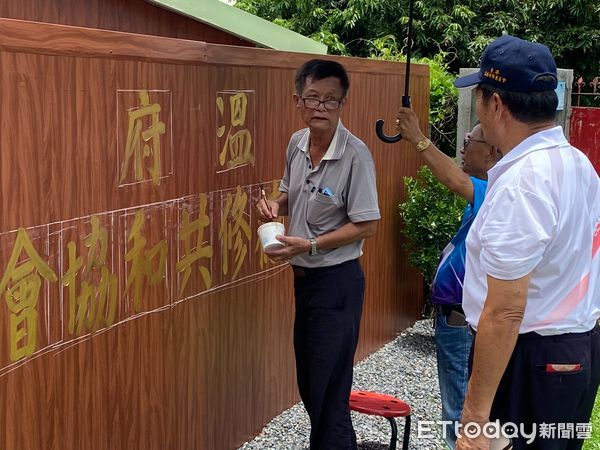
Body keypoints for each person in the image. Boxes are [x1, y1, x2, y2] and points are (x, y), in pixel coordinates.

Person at [452, 35, 600, 450]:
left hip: (530, 358)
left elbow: (506, 311)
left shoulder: (524, 181)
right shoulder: (577, 163)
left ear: (495, 104)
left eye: (479, 97)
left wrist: (475, 416)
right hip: (575, 351)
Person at [256, 59, 380, 449]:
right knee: (311, 384)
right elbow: (292, 191)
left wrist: (309, 245)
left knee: (328, 392)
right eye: (313, 98)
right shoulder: (297, 143)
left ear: (343, 104)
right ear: (298, 100)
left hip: (337, 284)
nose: (321, 108)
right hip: (305, 282)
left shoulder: (355, 156)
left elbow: (366, 224)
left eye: (331, 100)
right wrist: (275, 205)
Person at [395, 110, 501, 449]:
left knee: (460, 415)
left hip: (461, 321)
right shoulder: (486, 195)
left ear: (491, 152)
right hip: (455, 319)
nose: (463, 148)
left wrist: (418, 138)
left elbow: (455, 180)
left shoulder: (492, 190)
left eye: (470, 142)